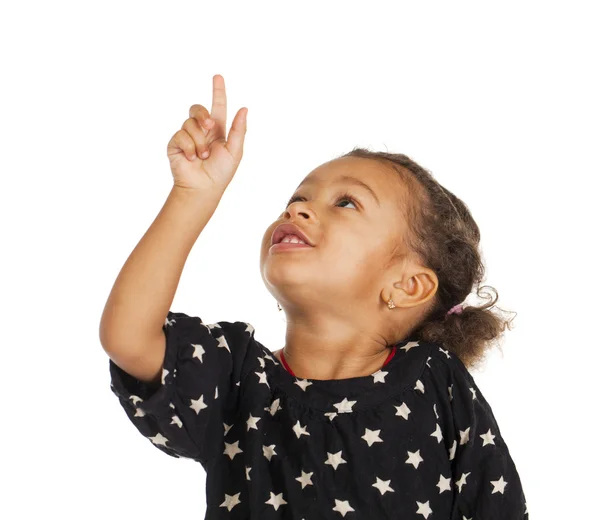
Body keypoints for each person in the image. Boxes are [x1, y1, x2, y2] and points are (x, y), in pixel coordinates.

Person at [100, 74, 528, 519]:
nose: (296, 209)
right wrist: (193, 195)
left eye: (346, 203)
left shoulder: (437, 382)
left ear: (407, 285)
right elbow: (129, 337)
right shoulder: (239, 379)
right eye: (298, 197)